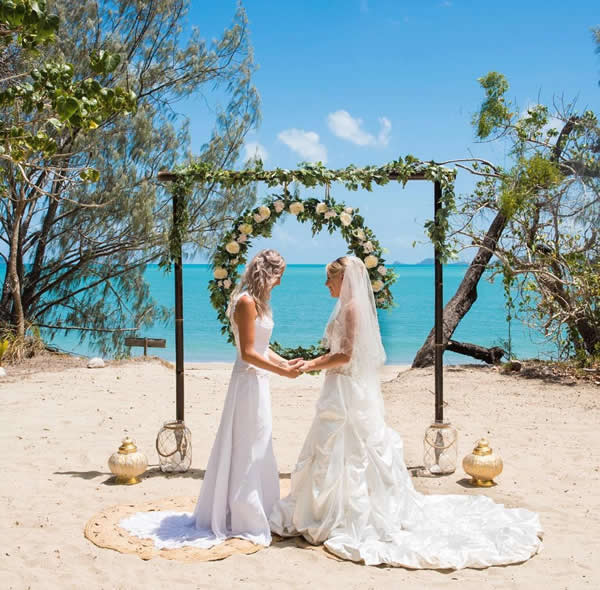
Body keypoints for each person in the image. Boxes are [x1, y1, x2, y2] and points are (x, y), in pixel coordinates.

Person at [270, 255, 543, 569]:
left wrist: (312, 364)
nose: (326, 284)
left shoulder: (352, 309)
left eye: (329, 278)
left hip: (347, 390)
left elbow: (345, 355)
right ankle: (326, 507)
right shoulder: (346, 308)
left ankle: (345, 511)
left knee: (354, 450)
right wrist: (317, 363)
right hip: (339, 389)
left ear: (343, 280)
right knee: (332, 448)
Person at [121, 249, 300, 549]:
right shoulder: (245, 302)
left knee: (260, 445)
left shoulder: (260, 305)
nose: (279, 283)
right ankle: (242, 514)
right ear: (267, 274)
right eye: (278, 277)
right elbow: (247, 353)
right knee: (246, 446)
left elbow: (263, 347)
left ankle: (260, 508)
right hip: (247, 385)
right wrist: (282, 372)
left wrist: (285, 363)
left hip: (260, 383)